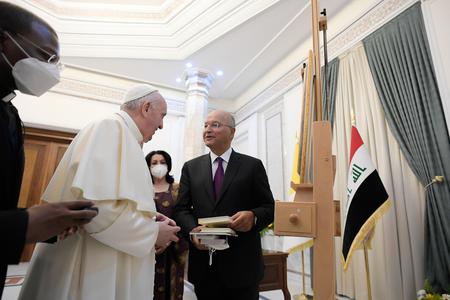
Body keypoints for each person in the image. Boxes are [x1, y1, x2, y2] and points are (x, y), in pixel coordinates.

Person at [18, 84, 181, 300]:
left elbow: (116, 202)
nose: (161, 125)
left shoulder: (126, 136)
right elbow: (94, 209)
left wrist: (148, 218)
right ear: (146, 107)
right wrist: (151, 233)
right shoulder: (110, 128)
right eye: (162, 116)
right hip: (89, 265)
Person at [0, 2, 98, 297]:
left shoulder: (10, 113)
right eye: (46, 56)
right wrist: (24, 225)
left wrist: (43, 223)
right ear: (5, 40)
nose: (52, 69)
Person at [174, 110, 275, 300]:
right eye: (205, 125)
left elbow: (269, 207)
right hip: (204, 266)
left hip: (242, 266)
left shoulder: (252, 166)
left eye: (215, 125)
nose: (207, 130)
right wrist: (193, 231)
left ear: (232, 132)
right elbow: (181, 210)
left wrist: (253, 217)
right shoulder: (191, 167)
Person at [145, 150, 189, 300]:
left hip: (173, 248)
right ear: (148, 167)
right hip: (147, 247)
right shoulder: (142, 188)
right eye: (154, 163)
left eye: (162, 162)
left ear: (168, 165)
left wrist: (168, 240)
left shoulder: (177, 189)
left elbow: (184, 216)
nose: (159, 166)